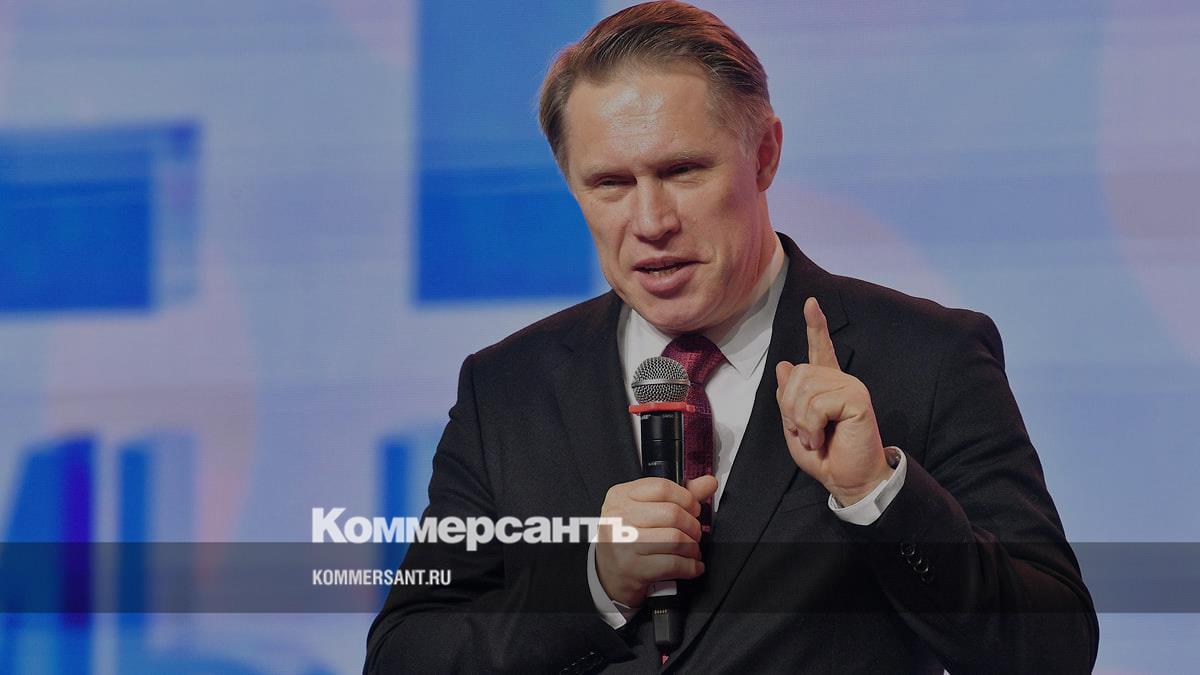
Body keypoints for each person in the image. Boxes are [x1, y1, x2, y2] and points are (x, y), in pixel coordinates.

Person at [365, 2, 1098, 672]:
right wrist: (592, 585)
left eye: (682, 170)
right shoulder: (507, 389)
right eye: (610, 184)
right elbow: (404, 655)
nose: (650, 222)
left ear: (765, 153)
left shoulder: (925, 357)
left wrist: (877, 493)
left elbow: (1053, 650)